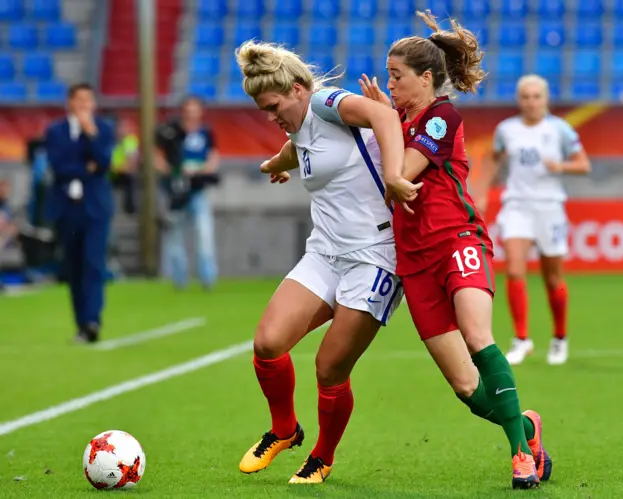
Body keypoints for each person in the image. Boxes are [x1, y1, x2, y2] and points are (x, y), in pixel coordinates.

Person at [359, 11, 550, 490]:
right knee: (467, 389)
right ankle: (527, 429)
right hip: (415, 263)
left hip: (457, 240)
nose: (390, 84)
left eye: (396, 76)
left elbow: (402, 171)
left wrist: (385, 126)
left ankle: (518, 457)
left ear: (425, 79)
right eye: (387, 76)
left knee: (476, 335)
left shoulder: (442, 116)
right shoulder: (397, 120)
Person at [234, 40, 418, 484]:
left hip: (375, 258)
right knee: (267, 344)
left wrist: (394, 175)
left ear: (298, 90)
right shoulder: (299, 126)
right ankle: (284, 430)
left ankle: (322, 455)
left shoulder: (325, 102)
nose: (272, 116)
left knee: (329, 367)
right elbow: (297, 148)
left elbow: (384, 115)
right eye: (264, 111)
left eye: (274, 106)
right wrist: (273, 165)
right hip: (326, 252)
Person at [474, 75, 591, 366]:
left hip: (550, 207)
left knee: (554, 279)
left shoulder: (560, 130)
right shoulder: (507, 130)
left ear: (546, 99)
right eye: (525, 96)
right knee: (514, 270)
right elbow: (493, 159)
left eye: (536, 96)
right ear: (519, 99)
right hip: (517, 205)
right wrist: (481, 193)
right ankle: (521, 339)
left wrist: (561, 165)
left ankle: (560, 336)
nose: (531, 101)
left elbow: (583, 164)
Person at [45, 83, 115, 343]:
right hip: (66, 208)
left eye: (89, 100)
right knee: (73, 267)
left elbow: (105, 163)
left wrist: (92, 135)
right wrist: (87, 168)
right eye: (80, 99)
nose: (85, 105)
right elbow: (59, 166)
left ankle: (92, 321)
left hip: (95, 207)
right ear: (70, 103)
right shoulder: (55, 131)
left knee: (93, 264)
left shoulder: (104, 129)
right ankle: (80, 322)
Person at [155, 96, 220, 289]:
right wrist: (171, 171)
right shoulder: (171, 133)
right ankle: (179, 279)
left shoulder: (206, 133)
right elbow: (156, 155)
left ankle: (207, 278)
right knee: (174, 235)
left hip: (198, 190)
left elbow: (214, 156)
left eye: (195, 109)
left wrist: (203, 170)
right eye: (188, 109)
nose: (191, 113)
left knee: (204, 234)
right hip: (175, 191)